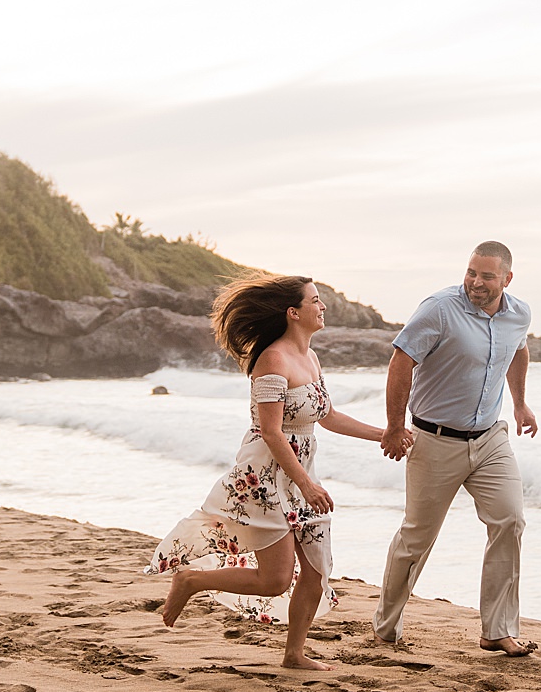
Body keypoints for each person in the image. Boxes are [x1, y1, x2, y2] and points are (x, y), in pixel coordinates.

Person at [147, 273, 389, 671]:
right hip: (266, 479)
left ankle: (294, 653)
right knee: (275, 579)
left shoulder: (310, 357)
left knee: (316, 570)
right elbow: (272, 432)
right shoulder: (271, 361)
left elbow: (327, 416)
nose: (322, 306)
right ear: (293, 313)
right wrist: (306, 484)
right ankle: (191, 580)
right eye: (315, 300)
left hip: (300, 475)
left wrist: (386, 435)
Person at [374, 241, 540, 657]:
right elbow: (401, 361)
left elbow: (519, 351)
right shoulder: (439, 309)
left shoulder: (519, 313)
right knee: (418, 537)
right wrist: (395, 426)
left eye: (486, 276)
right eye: (471, 272)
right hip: (435, 439)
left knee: (510, 521)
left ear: (507, 278)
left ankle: (497, 630)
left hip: (490, 439)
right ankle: (385, 627)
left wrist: (519, 403)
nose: (476, 282)